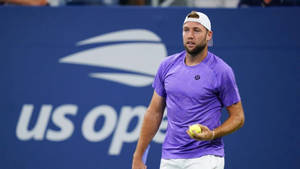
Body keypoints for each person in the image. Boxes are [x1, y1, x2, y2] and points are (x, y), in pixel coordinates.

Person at [132, 11, 245, 169]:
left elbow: (238, 117)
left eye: (196, 30)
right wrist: (138, 156)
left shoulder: (221, 71)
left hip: (206, 157)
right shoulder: (167, 66)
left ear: (209, 35)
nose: (190, 35)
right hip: (170, 157)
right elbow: (154, 112)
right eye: (186, 30)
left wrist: (212, 134)